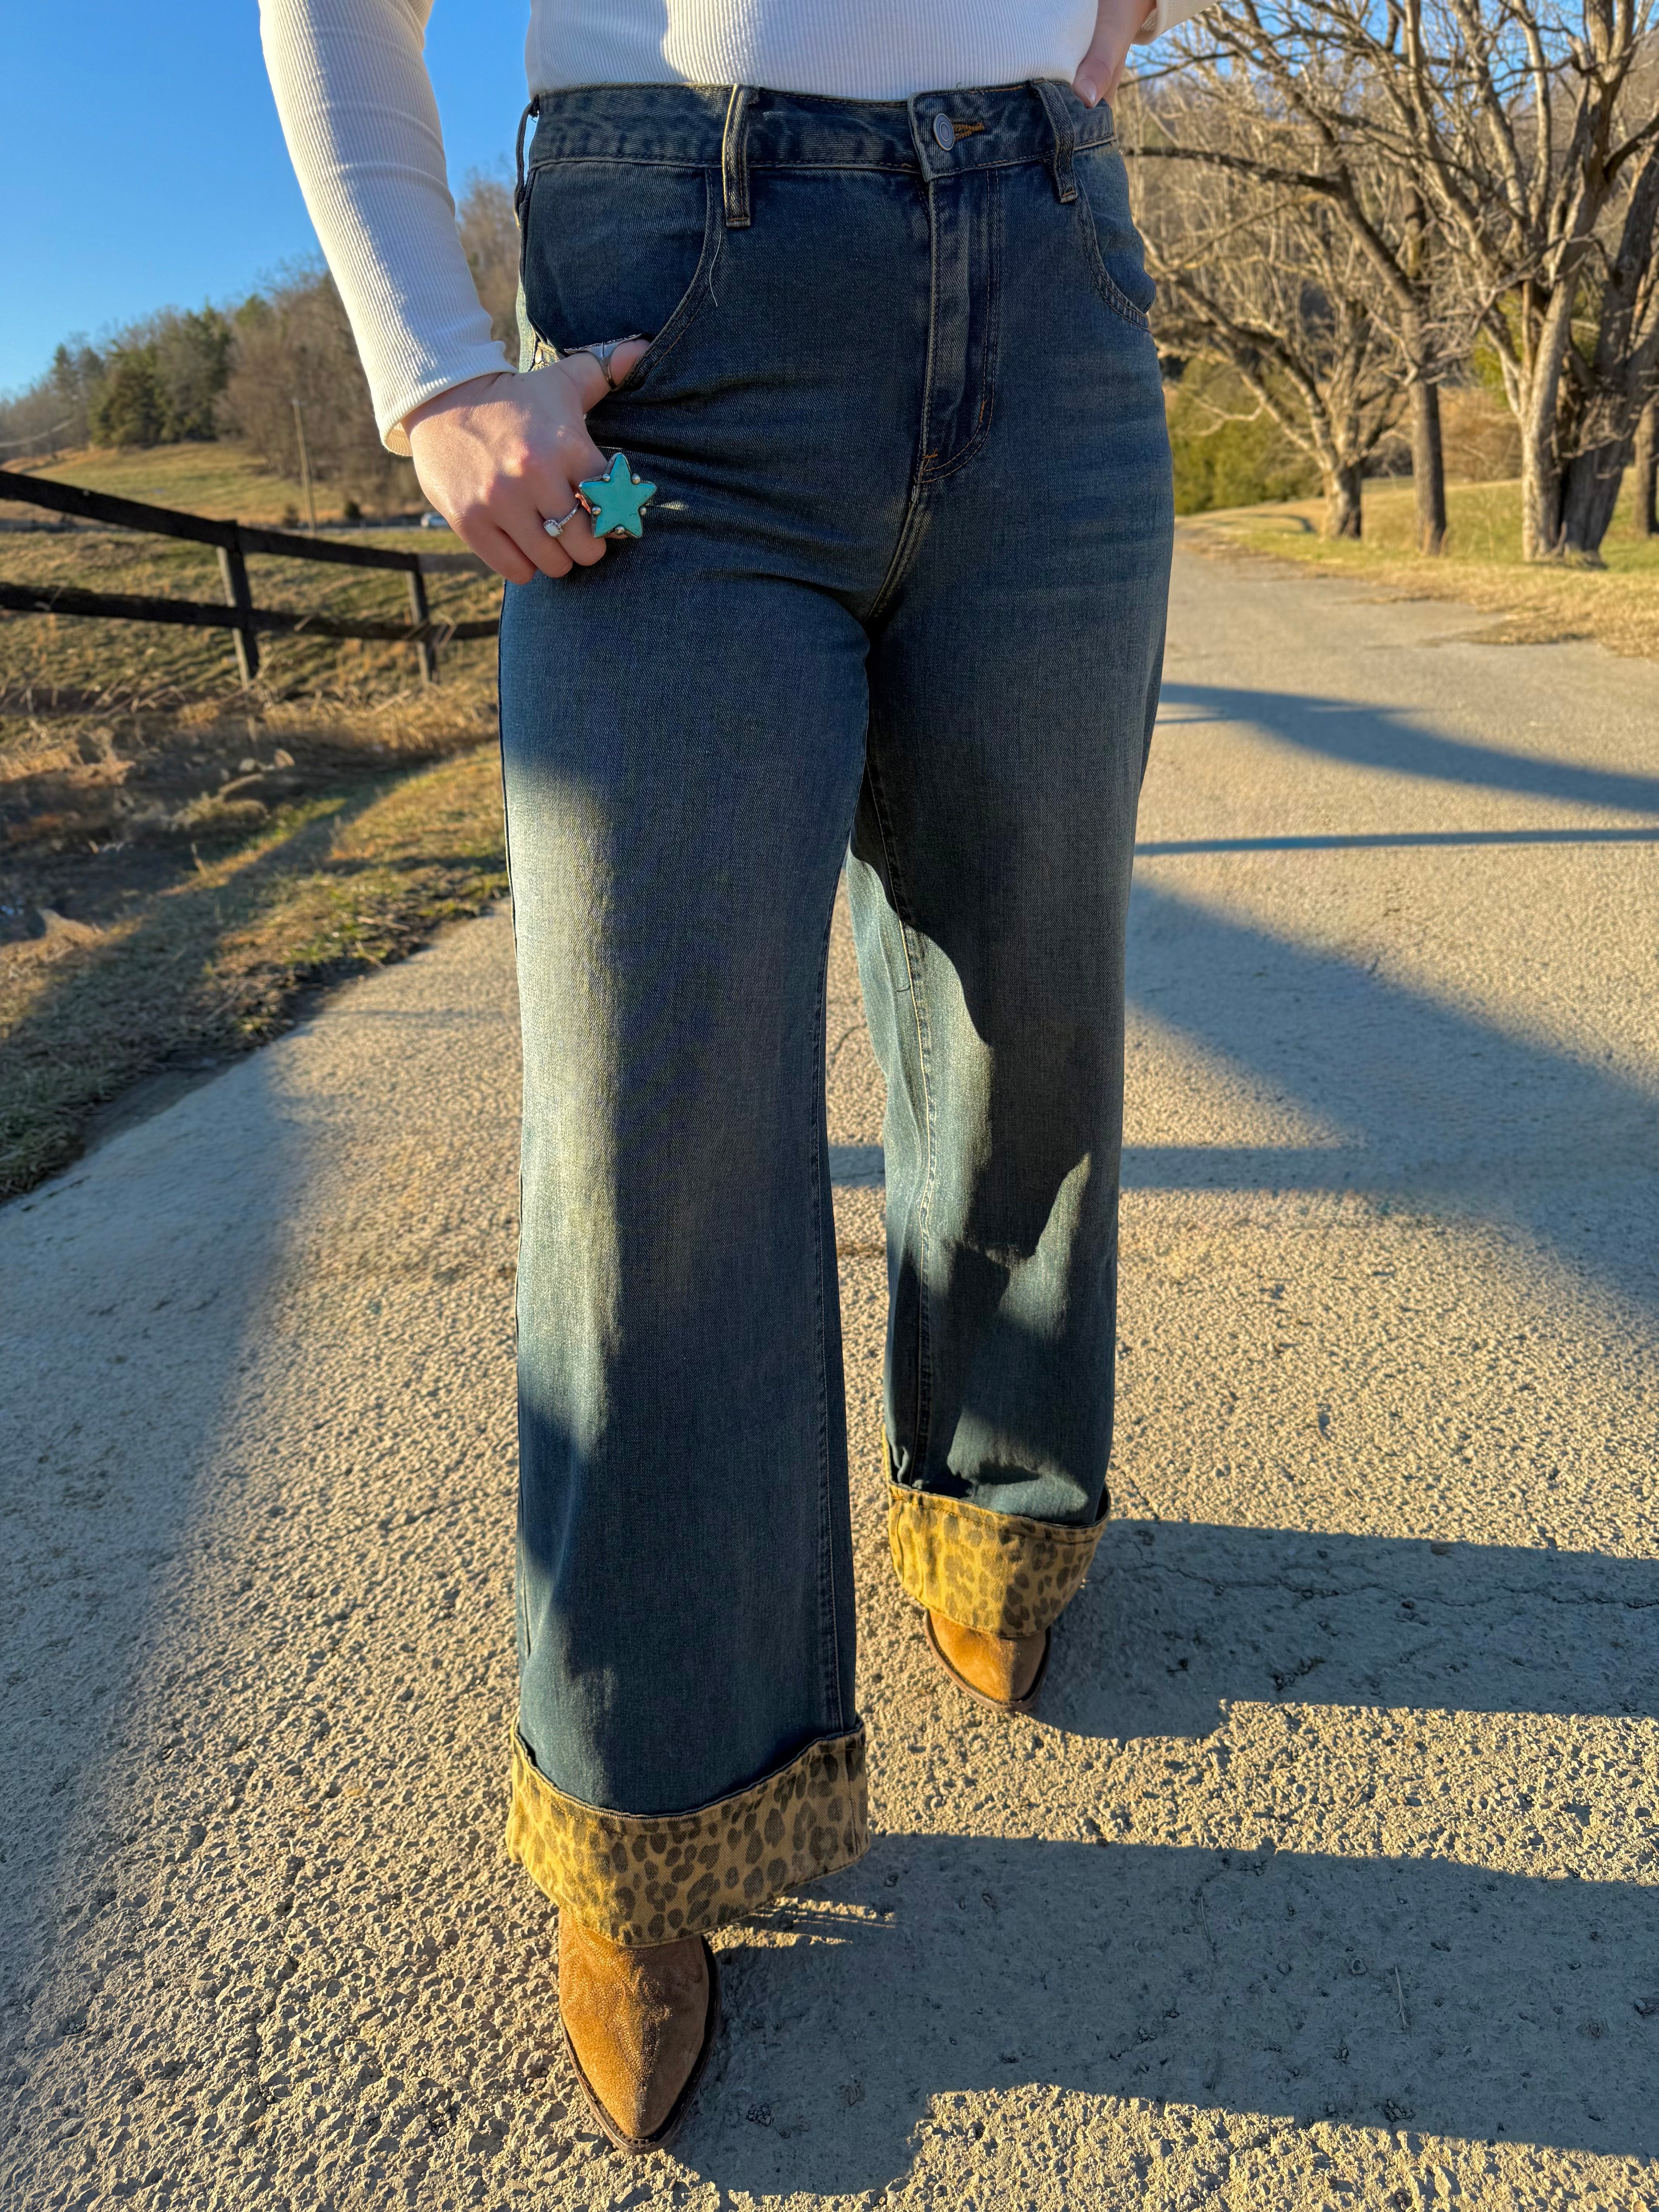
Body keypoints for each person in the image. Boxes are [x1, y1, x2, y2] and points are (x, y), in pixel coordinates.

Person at [262, 0, 1202, 2156]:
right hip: (671, 300)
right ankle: (648, 1798)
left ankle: (999, 1501)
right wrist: (424, 368)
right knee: (644, 1088)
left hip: (1056, 276)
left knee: (1028, 986)